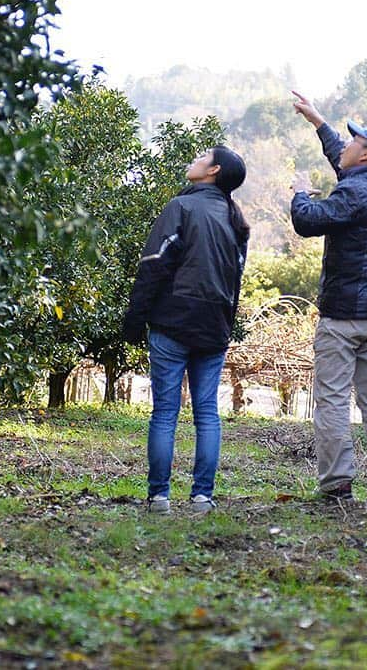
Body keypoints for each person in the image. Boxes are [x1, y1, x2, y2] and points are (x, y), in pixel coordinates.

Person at [290, 91, 367, 505]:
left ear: (366, 156)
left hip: (344, 316)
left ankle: (337, 484)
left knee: (333, 399)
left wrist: (302, 192)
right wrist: (318, 122)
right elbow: (341, 158)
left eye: (355, 142)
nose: (347, 144)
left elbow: (308, 221)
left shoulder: (353, 195)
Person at [122, 145, 249, 515]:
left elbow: (153, 265)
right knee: (206, 411)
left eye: (202, 157)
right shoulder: (235, 219)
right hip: (214, 326)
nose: (194, 159)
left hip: (173, 321)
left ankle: (159, 497)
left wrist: (135, 315)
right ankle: (201, 497)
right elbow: (235, 279)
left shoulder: (182, 207)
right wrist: (226, 323)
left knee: (165, 411)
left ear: (214, 171)